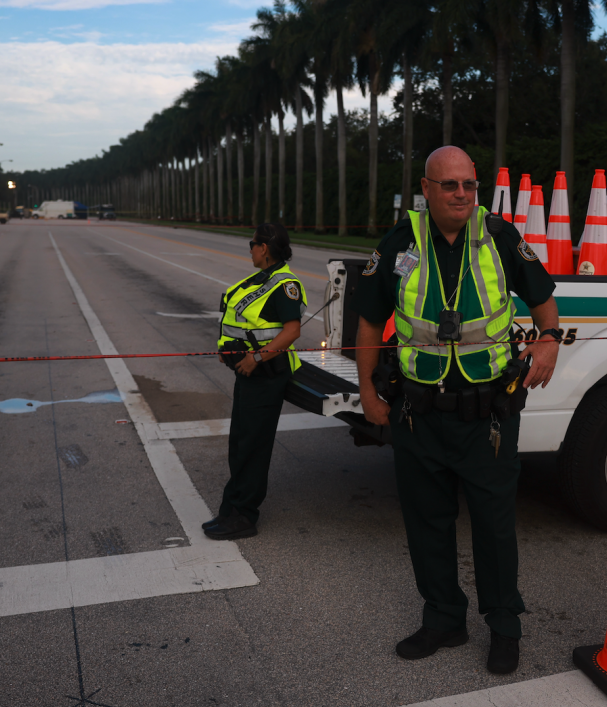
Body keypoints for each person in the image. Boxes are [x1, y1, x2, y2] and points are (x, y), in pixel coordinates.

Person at [355, 146, 562, 675]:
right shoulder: (400, 242)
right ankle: (444, 618)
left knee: (494, 527)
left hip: (487, 417)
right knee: (427, 523)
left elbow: (542, 299)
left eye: (469, 185)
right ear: (426, 190)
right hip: (417, 414)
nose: (462, 195)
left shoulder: (500, 237)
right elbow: (367, 323)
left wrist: (550, 340)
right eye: (449, 185)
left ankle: (504, 626)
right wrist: (370, 393)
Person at [204, 223, 306, 540]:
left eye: (252, 244)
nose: (249, 249)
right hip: (249, 373)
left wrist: (256, 357)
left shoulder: (285, 284)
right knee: (240, 443)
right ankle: (230, 509)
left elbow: (292, 331)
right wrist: (229, 350)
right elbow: (246, 323)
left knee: (253, 446)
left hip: (265, 376)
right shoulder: (263, 278)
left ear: (264, 248)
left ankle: (244, 516)